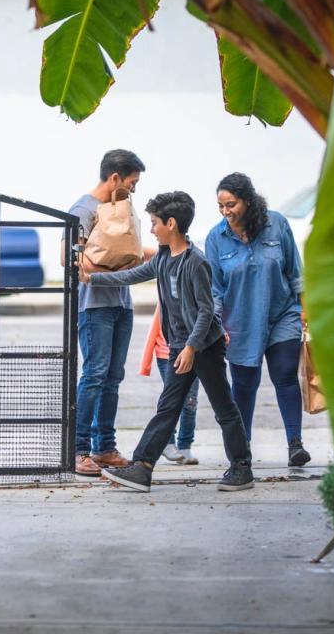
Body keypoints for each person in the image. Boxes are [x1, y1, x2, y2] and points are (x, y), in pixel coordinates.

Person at [81, 191, 254, 493]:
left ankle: (242, 467)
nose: (151, 229)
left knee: (223, 406)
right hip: (180, 346)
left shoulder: (195, 262)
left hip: (204, 346)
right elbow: (132, 275)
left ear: (171, 224)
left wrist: (191, 348)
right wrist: (92, 278)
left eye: (154, 223)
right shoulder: (163, 257)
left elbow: (206, 311)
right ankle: (142, 467)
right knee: (168, 407)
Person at [204, 172, 311, 467]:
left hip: (281, 315)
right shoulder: (216, 237)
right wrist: (215, 324)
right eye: (221, 206)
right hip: (239, 323)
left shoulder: (276, 224)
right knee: (244, 385)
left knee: (285, 375)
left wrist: (305, 308)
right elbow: (214, 288)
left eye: (231, 204)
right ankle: (243, 450)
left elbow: (295, 271)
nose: (226, 212)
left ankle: (295, 444)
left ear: (248, 201)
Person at [61, 149, 146, 478]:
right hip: (95, 306)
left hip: (121, 304)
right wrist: (107, 273)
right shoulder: (84, 209)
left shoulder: (120, 208)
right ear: (115, 178)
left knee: (113, 378)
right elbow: (68, 258)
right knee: (95, 376)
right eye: (131, 183)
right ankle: (79, 450)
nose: (133, 189)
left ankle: (105, 447)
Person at [140, 303, 199, 464]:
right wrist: (145, 365)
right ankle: (168, 443)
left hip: (192, 353)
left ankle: (185, 445)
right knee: (171, 401)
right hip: (166, 356)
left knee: (191, 401)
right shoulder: (166, 296)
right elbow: (153, 331)